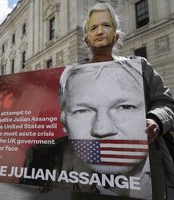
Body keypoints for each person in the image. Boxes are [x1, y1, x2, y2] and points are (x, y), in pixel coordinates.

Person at [22, 2, 174, 200]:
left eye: (106, 25)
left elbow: (167, 103)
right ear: (86, 40)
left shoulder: (140, 68)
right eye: (93, 28)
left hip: (142, 183)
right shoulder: (71, 78)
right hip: (86, 187)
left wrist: (156, 120)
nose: (100, 31)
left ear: (116, 35)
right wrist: (48, 173)